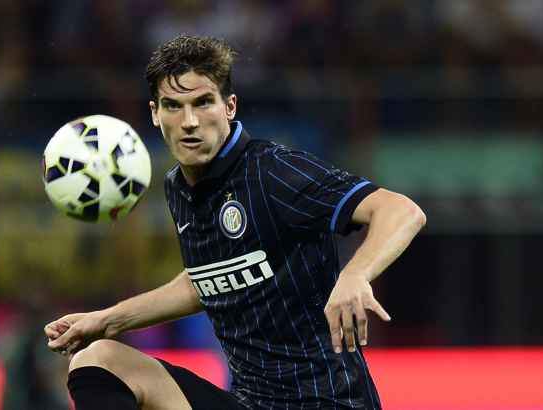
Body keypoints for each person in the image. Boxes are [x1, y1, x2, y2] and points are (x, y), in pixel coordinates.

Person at [45, 35, 426, 410]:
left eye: (203, 102)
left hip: (329, 401)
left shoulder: (272, 172)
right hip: (248, 401)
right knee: (98, 360)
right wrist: (107, 320)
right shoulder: (178, 187)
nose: (189, 121)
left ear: (229, 106)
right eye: (173, 106)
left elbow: (401, 210)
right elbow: (206, 280)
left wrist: (356, 275)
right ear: (155, 113)